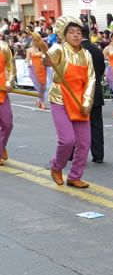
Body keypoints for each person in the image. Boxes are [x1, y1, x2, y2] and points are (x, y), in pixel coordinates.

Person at [45, 16, 96, 188]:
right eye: (72, 32)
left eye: (78, 32)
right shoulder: (59, 49)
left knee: (84, 143)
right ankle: (56, 166)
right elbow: (48, 58)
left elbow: (91, 79)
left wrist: (87, 102)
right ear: (64, 35)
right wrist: (46, 59)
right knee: (67, 140)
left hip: (79, 101)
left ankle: (74, 176)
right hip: (60, 99)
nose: (75, 35)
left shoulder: (86, 54)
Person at [81, 24, 106, 163]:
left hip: (80, 92)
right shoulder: (97, 50)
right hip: (95, 91)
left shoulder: (77, 51)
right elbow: (101, 70)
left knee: (78, 125)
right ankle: (98, 155)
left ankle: (76, 153)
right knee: (96, 125)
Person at [0, 37, 15, 166]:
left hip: (2, 92)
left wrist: (10, 82)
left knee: (7, 124)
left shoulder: (4, 47)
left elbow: (11, 68)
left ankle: (1, 144)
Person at [26, 36, 50, 109]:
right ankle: (42, 102)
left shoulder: (41, 48)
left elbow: (47, 56)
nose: (35, 42)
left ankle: (39, 100)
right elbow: (28, 59)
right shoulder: (29, 50)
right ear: (31, 41)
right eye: (33, 40)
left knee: (44, 87)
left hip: (42, 68)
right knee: (38, 86)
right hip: (34, 69)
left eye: (36, 40)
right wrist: (28, 64)